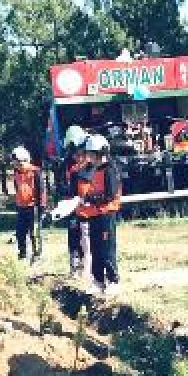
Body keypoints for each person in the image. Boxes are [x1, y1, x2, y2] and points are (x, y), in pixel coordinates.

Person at [76, 134, 122, 295]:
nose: (89, 158)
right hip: (94, 213)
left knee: (107, 248)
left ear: (101, 153)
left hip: (106, 213)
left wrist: (90, 199)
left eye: (92, 154)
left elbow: (109, 195)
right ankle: (98, 281)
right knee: (95, 248)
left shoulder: (110, 169)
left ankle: (113, 280)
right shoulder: (92, 169)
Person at [60, 125, 90, 277]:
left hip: (85, 205)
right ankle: (75, 263)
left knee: (85, 236)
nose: (77, 155)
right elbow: (63, 185)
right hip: (71, 204)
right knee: (73, 233)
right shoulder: (66, 164)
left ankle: (85, 264)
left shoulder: (88, 162)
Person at [10, 145, 44, 263]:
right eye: (14, 163)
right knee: (20, 232)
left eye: (17, 163)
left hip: (33, 207)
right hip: (21, 207)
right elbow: (17, 188)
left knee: (34, 233)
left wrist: (41, 207)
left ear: (24, 160)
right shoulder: (16, 173)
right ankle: (22, 253)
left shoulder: (35, 172)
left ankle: (36, 255)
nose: (15, 165)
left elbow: (41, 190)